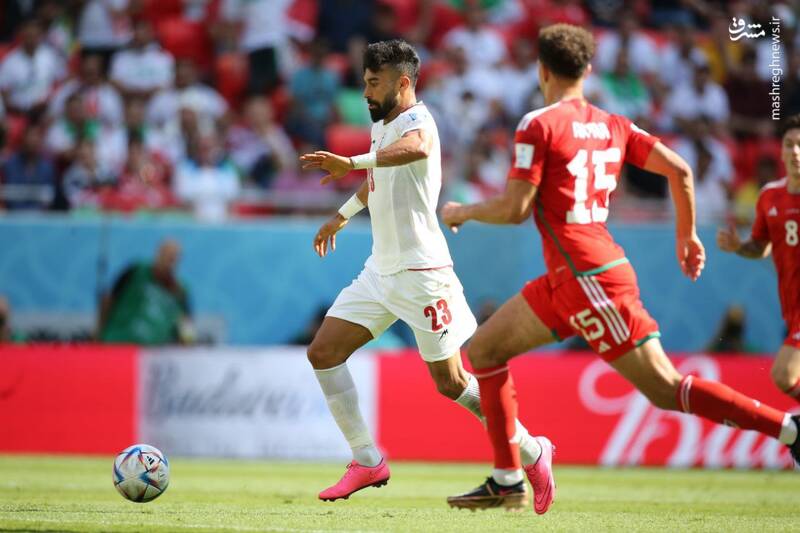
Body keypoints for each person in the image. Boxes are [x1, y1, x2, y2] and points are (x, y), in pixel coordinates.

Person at [441, 23, 800, 513]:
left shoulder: (537, 124)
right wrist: (687, 235)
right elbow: (680, 169)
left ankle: (790, 429)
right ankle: (508, 479)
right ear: (589, 70)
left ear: (541, 70)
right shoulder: (614, 124)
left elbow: (516, 208)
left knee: (666, 389)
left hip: (590, 279)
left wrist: (462, 211)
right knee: (484, 350)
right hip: (569, 277)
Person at [298, 39, 546, 508]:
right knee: (324, 352)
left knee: (451, 383)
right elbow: (378, 180)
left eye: (374, 83)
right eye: (364, 82)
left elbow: (412, 150)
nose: (365, 92)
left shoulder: (420, 122)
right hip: (381, 270)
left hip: (423, 273)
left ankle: (533, 451)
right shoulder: (382, 124)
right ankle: (367, 459)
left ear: (402, 83)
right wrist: (342, 215)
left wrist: (351, 162)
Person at [717, 114, 800, 401]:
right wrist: (739, 246)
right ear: (781, 151)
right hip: (791, 308)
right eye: (789, 144)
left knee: (784, 374)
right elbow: (761, 247)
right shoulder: (769, 197)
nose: (795, 151)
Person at [99, 239, 193, 345]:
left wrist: (188, 343)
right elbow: (108, 298)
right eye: (166, 255)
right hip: (116, 341)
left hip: (150, 350)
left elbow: (186, 322)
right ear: (158, 254)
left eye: (173, 258)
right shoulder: (136, 270)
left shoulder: (180, 290)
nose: (168, 262)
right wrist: (99, 331)